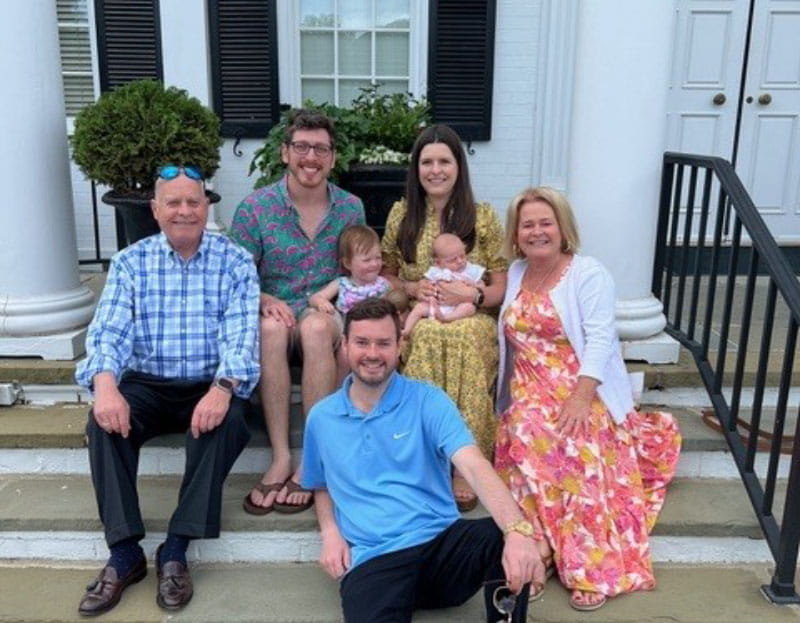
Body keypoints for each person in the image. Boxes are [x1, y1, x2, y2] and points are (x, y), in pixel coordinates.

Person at [75, 164, 260, 616]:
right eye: (173, 203)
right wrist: (105, 385)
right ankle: (124, 554)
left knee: (231, 421)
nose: (184, 211)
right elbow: (109, 333)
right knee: (102, 424)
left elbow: (241, 338)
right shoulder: (130, 262)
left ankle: (175, 549)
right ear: (155, 210)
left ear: (207, 208)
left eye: (193, 202)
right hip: (147, 384)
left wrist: (222, 387)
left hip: (206, 382)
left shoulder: (234, 261)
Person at [493, 186, 681, 612]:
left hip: (581, 387)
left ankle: (591, 563)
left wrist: (580, 398)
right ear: (516, 233)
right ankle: (536, 548)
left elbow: (600, 338)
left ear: (562, 228)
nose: (537, 232)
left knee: (576, 446)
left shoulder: (587, 273)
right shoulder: (518, 271)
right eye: (528, 225)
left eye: (546, 223)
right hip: (528, 389)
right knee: (521, 434)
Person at [301, 298, 544, 623]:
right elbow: (321, 483)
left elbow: (472, 464)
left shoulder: (428, 400)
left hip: (439, 547)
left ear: (400, 345)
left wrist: (518, 532)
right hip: (375, 558)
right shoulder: (321, 417)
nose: (372, 353)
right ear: (345, 346)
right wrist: (330, 534)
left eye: (384, 343)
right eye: (362, 342)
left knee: (501, 536)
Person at [229, 109, 365, 515]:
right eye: (302, 147)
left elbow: (358, 269)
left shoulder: (350, 208)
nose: (311, 157)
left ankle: (310, 456)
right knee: (269, 330)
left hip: (325, 312)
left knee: (318, 329)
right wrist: (262, 298)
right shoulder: (255, 208)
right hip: (277, 309)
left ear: (333, 157)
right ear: (285, 152)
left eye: (320, 149)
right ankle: (280, 455)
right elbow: (234, 278)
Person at [381, 124, 508, 512]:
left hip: (473, 318)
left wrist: (475, 293)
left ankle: (464, 463)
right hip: (423, 314)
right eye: (427, 162)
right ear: (416, 168)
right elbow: (385, 272)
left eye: (444, 161)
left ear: (458, 166)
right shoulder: (403, 214)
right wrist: (413, 289)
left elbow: (502, 283)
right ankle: (422, 456)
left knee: (462, 336)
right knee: (429, 335)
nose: (435, 170)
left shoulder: (482, 217)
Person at [401, 232, 485, 337]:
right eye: (452, 260)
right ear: (438, 262)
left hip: (458, 307)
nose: (459, 261)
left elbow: (481, 287)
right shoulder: (436, 271)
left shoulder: (470, 270)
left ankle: (447, 318)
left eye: (462, 256)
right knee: (419, 308)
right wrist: (427, 287)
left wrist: (473, 286)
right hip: (438, 306)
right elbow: (426, 284)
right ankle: (407, 329)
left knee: (469, 308)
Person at [308, 225, 392, 325]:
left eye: (378, 258)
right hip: (349, 333)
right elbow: (314, 298)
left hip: (376, 332)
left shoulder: (384, 284)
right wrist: (321, 302)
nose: (374, 264)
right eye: (367, 260)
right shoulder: (343, 283)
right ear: (348, 263)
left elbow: (397, 301)